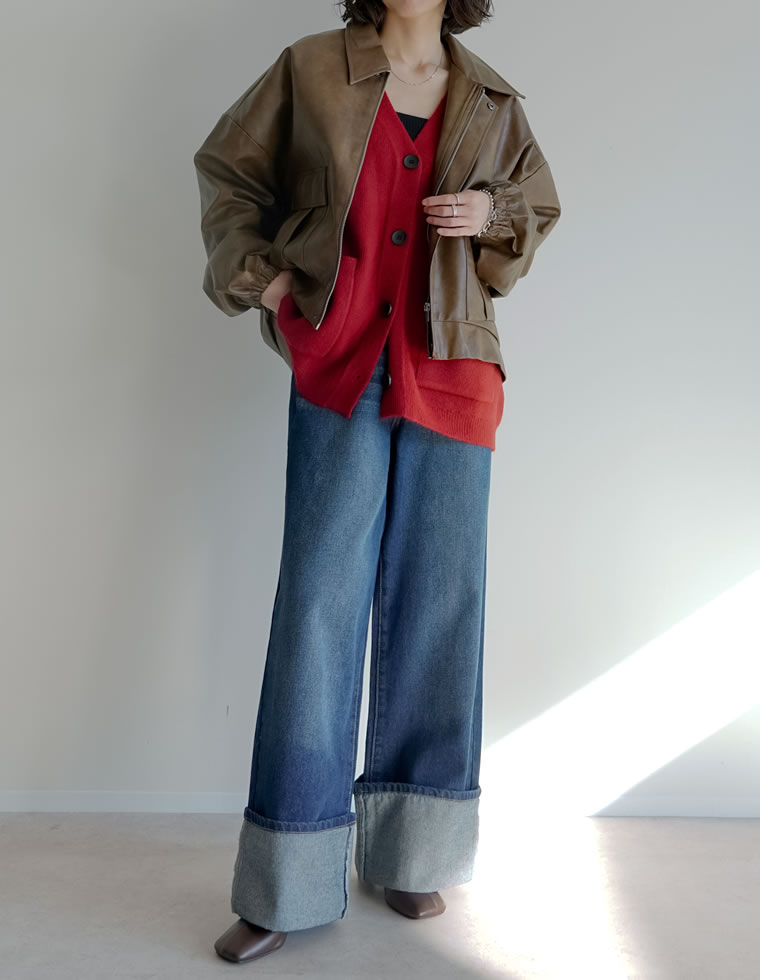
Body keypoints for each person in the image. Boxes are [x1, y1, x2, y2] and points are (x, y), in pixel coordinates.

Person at [193, 0, 561, 964]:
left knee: (440, 603)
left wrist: (491, 214)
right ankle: (286, 876)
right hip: (341, 367)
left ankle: (411, 853)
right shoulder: (309, 69)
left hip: (454, 371)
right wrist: (273, 283)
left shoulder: (491, 99)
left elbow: (533, 212)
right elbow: (230, 172)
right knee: (318, 607)